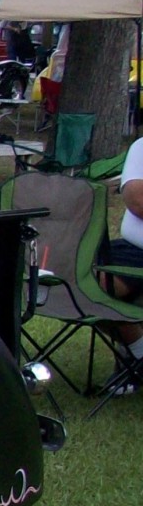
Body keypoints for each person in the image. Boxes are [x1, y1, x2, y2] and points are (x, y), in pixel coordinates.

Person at [100, 135, 143, 361]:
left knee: (95, 284)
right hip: (132, 249)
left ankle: (136, 356)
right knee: (70, 274)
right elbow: (137, 200)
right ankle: (138, 351)